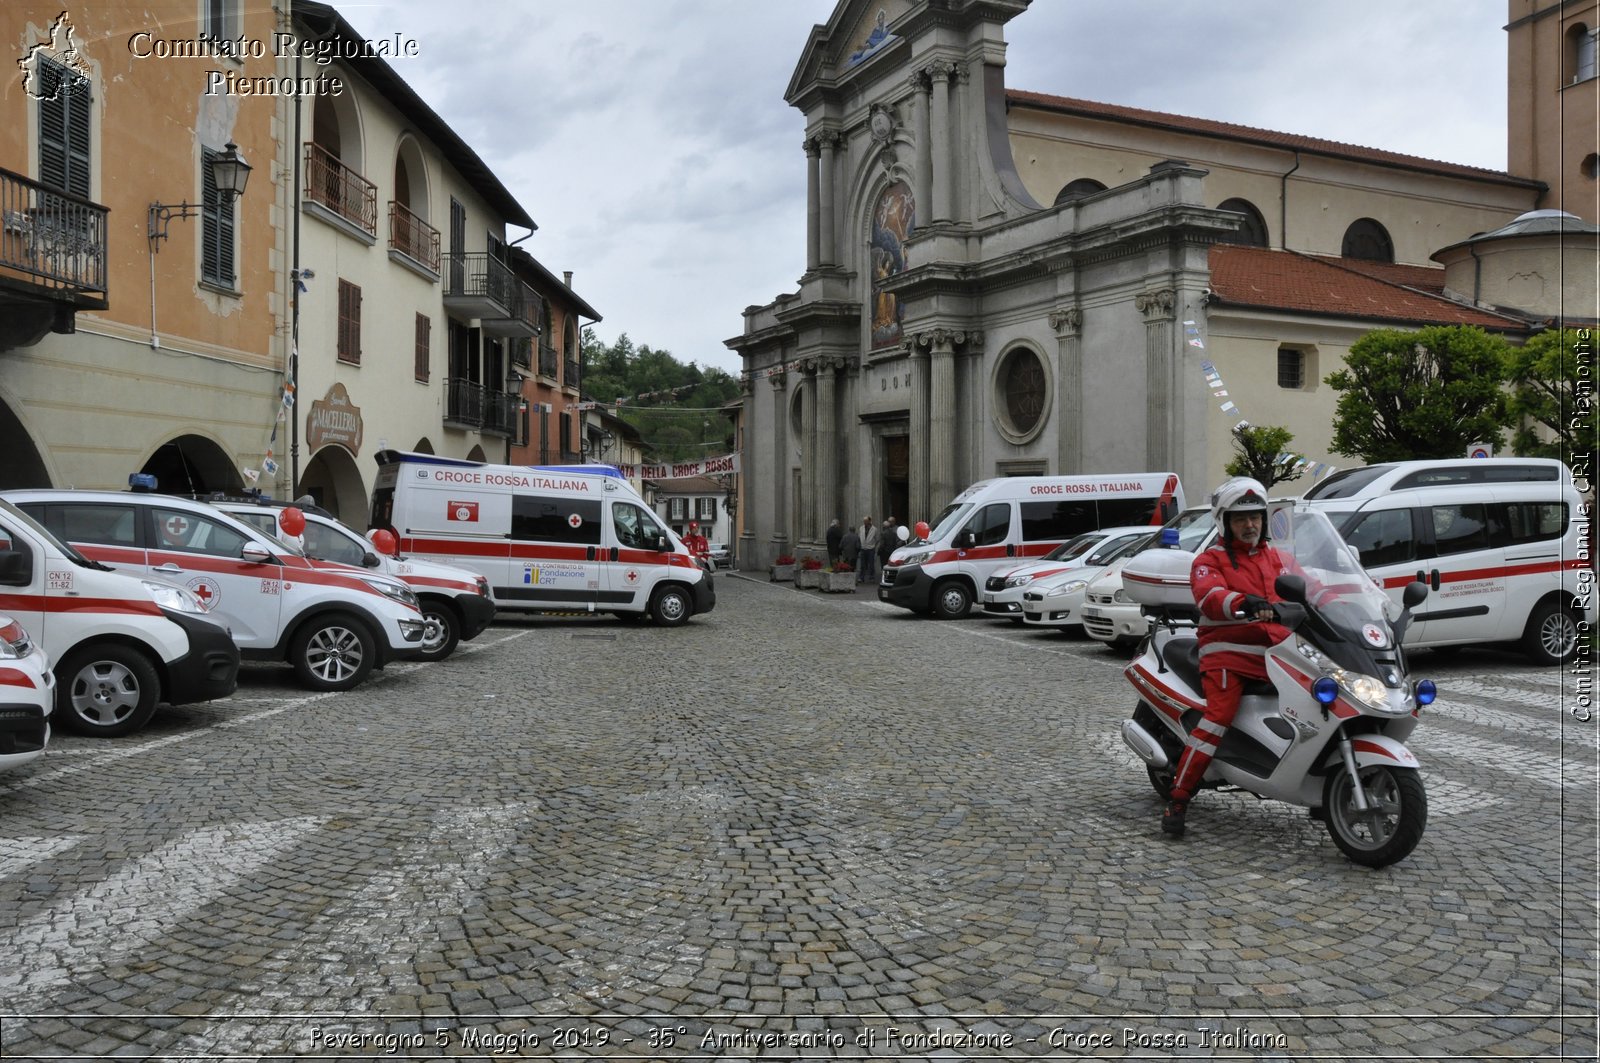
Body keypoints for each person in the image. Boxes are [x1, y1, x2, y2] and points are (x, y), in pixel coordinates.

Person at [1163, 477, 1303, 838]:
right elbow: (1208, 596)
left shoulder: (1279, 559)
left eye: (1255, 517)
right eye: (1241, 519)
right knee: (1219, 715)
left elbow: (1310, 588)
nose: (1250, 525)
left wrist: (1346, 598)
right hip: (1228, 651)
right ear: (1225, 523)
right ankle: (1179, 796)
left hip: (1278, 651)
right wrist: (1243, 602)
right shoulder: (1209, 560)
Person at [857, 516, 879, 584]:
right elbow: (859, 536)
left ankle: (871, 577)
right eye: (864, 521)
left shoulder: (874, 529)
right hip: (863, 548)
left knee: (871, 564)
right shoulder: (861, 528)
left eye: (866, 521)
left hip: (870, 549)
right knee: (862, 564)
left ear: (869, 521)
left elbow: (877, 538)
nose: (865, 522)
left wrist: (874, 545)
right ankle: (861, 577)